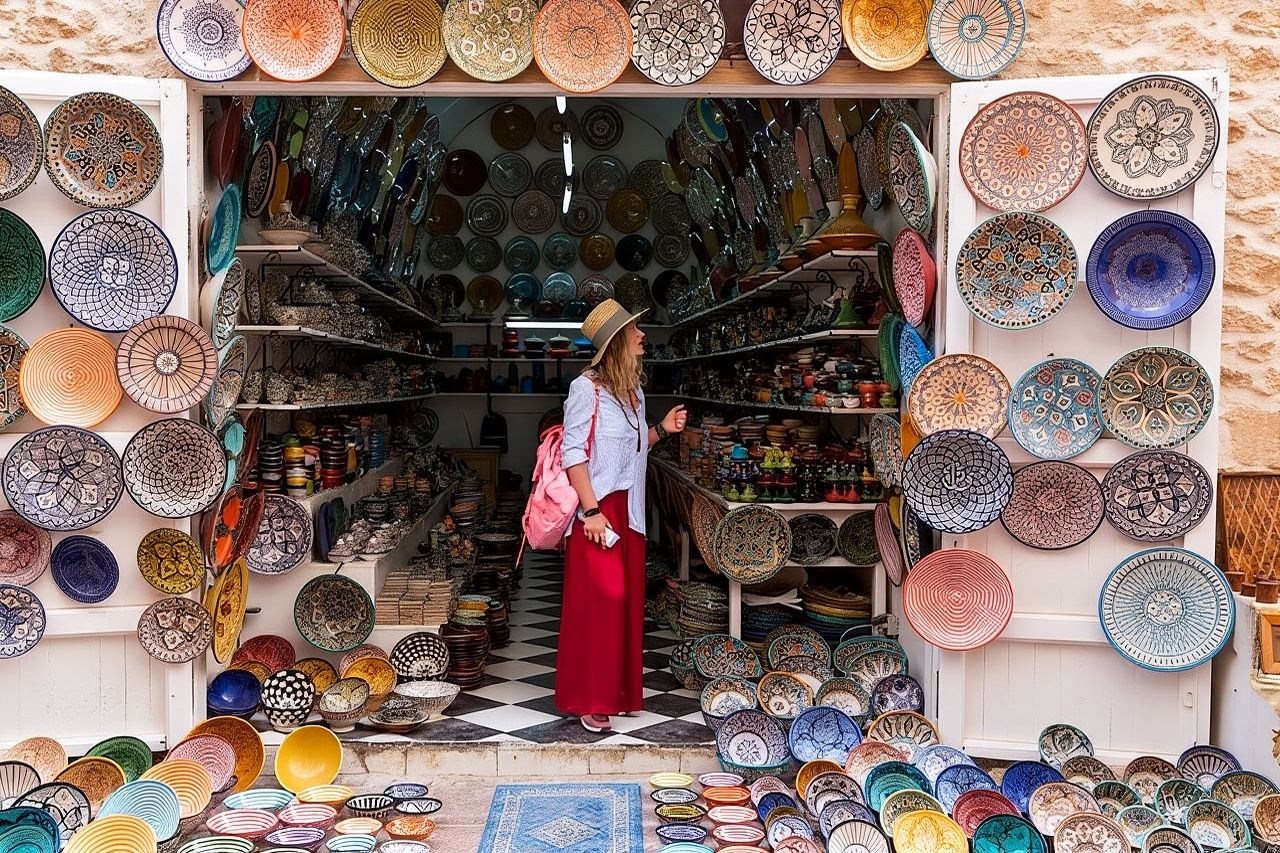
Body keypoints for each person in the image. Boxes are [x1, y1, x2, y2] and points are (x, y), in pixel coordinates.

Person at [556, 299, 687, 732]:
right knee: (601, 602)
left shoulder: (633, 392)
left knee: (626, 602)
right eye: (634, 331)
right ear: (616, 343)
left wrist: (661, 430)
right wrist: (591, 511)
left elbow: (632, 446)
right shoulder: (586, 389)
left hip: (629, 510)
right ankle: (591, 698)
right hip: (599, 509)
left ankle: (621, 694)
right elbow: (573, 454)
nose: (642, 336)